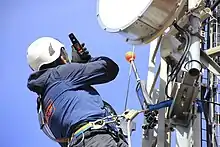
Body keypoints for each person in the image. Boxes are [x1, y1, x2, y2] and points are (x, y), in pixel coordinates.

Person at [26, 37, 128, 147]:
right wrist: (86, 61)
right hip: (98, 139)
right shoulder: (60, 73)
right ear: (59, 55)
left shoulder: (44, 103)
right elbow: (109, 68)